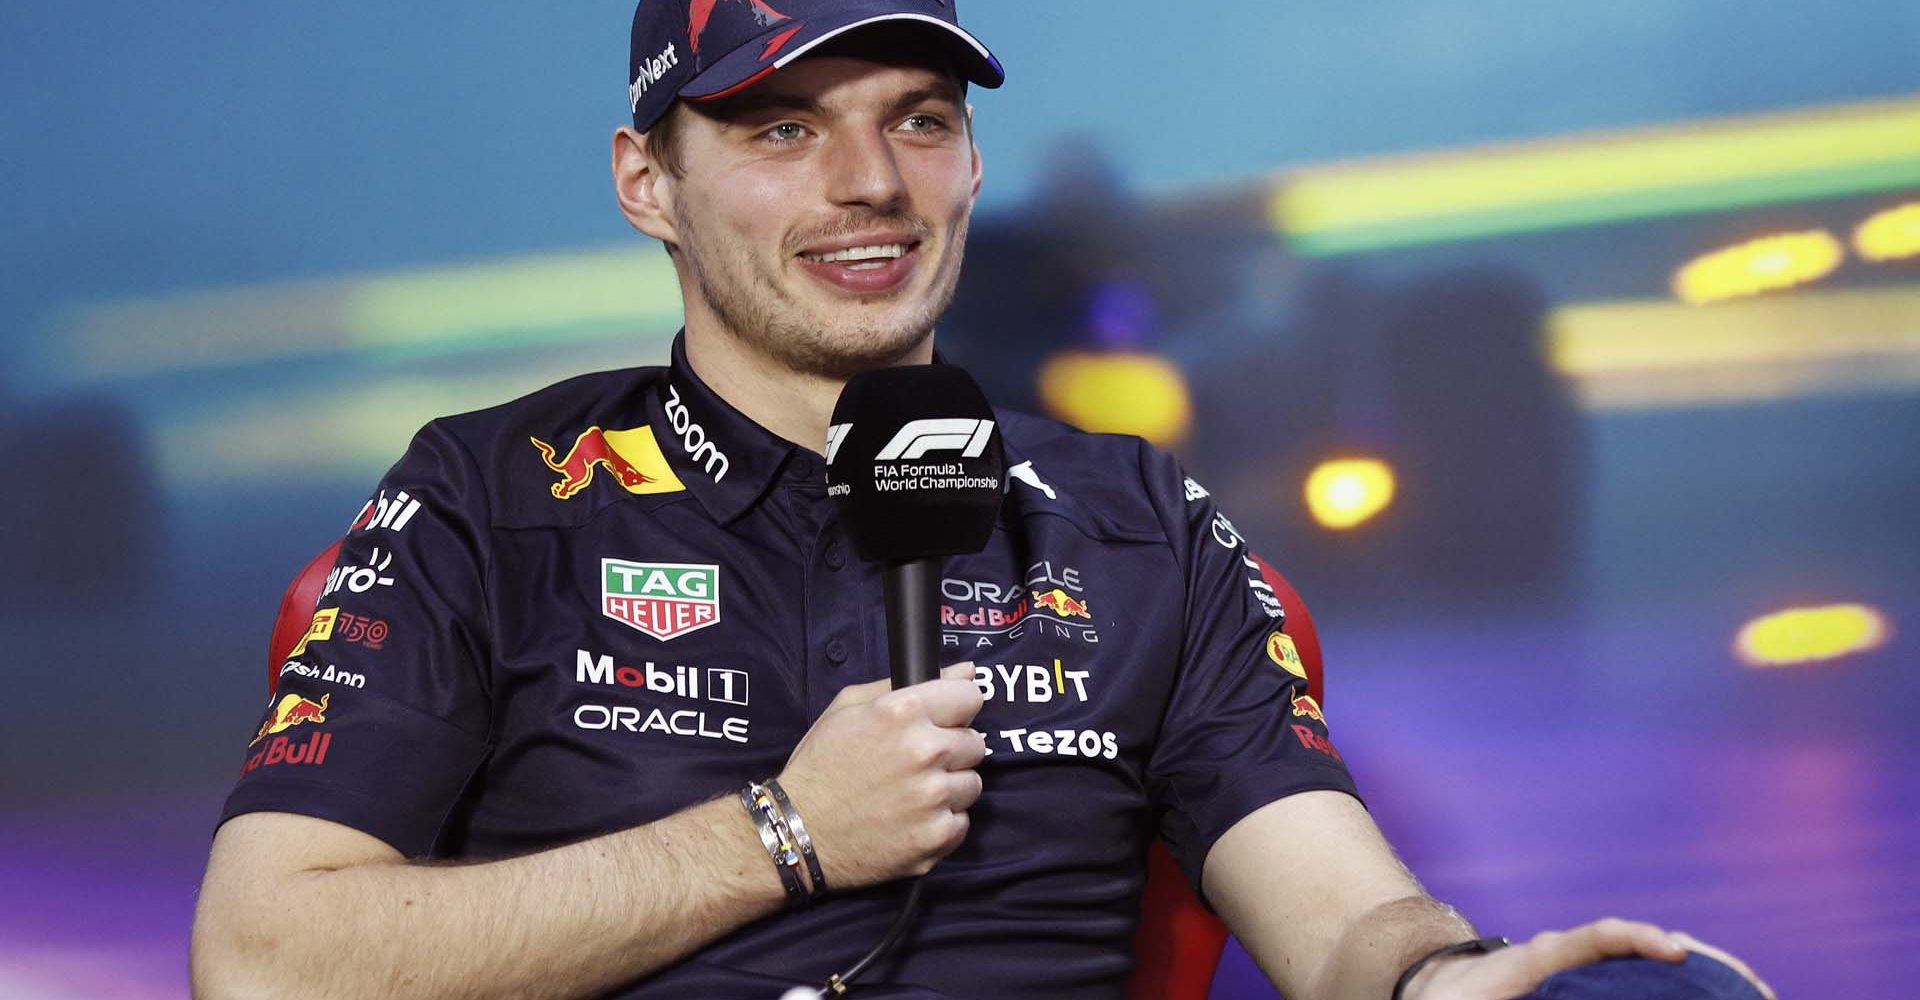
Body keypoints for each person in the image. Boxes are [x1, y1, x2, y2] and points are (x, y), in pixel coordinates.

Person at [191, 3, 1775, 999]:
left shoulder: (1132, 516)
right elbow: (266, 960)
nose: (870, 183)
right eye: (780, 129)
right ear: (645, 181)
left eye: (920, 120)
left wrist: (1449, 979)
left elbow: (1338, 909)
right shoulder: (491, 493)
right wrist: (789, 836)